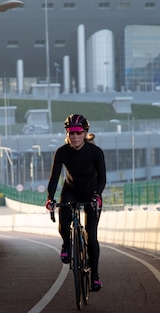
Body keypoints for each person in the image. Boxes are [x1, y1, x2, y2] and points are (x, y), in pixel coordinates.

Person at [46, 114, 107, 291]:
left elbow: (103, 178)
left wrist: (97, 195)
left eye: (78, 132)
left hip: (92, 193)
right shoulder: (62, 152)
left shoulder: (95, 152)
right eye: (70, 132)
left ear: (85, 133)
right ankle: (66, 243)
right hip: (71, 190)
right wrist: (50, 198)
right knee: (63, 223)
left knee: (92, 235)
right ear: (67, 134)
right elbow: (54, 177)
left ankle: (95, 275)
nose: (74, 136)